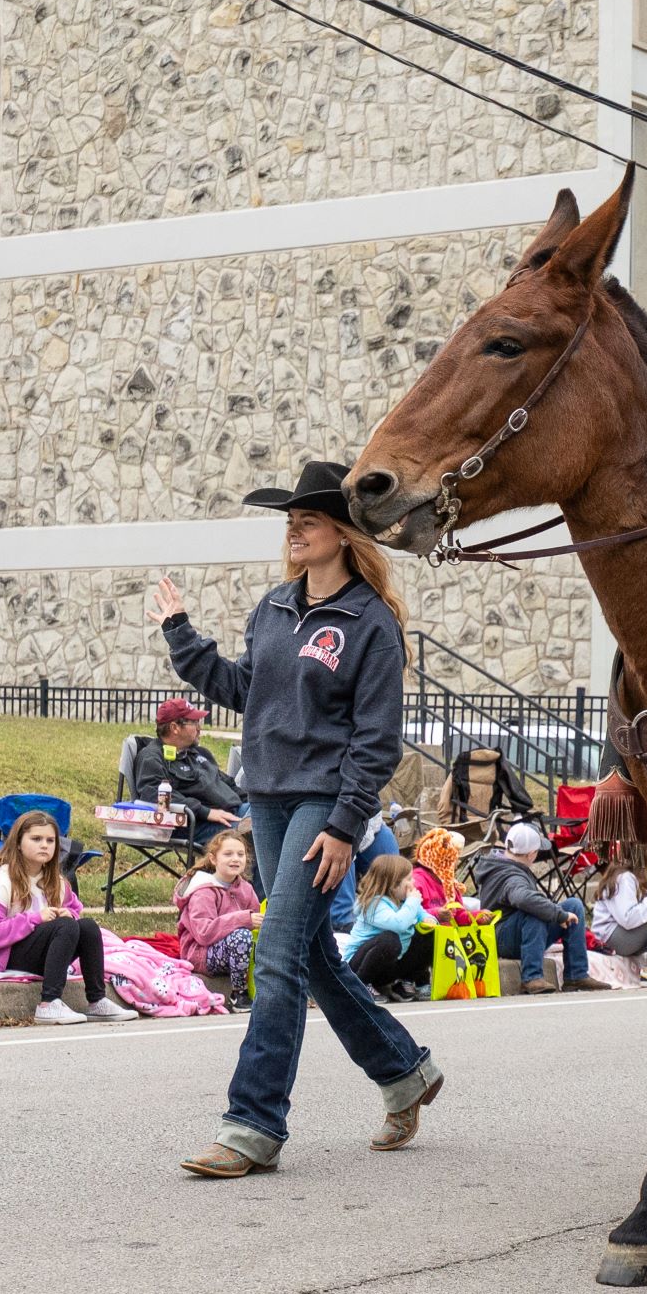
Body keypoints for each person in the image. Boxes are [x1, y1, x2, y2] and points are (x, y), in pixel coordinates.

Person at [152, 459, 446, 1178]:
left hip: (325, 804)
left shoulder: (370, 624)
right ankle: (404, 1071)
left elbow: (376, 741)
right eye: (290, 522)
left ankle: (253, 1124)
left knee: (277, 955)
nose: (294, 531)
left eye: (307, 521)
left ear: (343, 534)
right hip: (270, 799)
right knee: (311, 956)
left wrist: (346, 825)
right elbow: (242, 690)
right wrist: (181, 633)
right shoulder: (275, 608)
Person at [0, 810, 136, 1025]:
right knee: (65, 926)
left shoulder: (56, 881)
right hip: (4, 955)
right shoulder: (1, 880)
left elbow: (74, 911)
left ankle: (97, 1000)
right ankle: (49, 1003)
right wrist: (34, 919)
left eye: (50, 840)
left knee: (87, 926)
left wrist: (70, 914)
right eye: (36, 839)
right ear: (18, 843)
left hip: (45, 956)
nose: (44, 845)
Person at [473, 821, 611, 995]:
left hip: (518, 932)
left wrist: (559, 913)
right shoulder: (510, 875)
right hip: (501, 939)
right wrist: (558, 915)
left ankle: (576, 975)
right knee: (534, 912)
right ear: (531, 854)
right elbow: (522, 897)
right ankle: (531, 977)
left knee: (573, 906)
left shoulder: (505, 863)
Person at [134, 697, 246, 844]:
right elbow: (154, 795)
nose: (199, 728)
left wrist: (255, 804)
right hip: (197, 824)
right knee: (254, 836)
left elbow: (228, 783)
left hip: (237, 811)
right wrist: (205, 812)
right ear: (175, 728)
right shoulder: (152, 758)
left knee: (274, 819)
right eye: (194, 722)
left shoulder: (199, 753)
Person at [176, 828, 262, 1008]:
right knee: (241, 936)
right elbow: (204, 933)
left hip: (233, 951)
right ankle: (239, 994)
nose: (235, 859)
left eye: (240, 854)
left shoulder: (245, 888)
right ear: (214, 859)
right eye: (228, 854)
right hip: (202, 954)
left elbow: (253, 919)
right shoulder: (204, 891)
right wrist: (243, 919)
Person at [341, 854, 430, 1002]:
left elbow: (423, 914)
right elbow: (398, 924)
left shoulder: (405, 901)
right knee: (390, 940)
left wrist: (430, 920)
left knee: (426, 933)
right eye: (408, 879)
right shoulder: (373, 904)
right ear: (393, 884)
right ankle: (360, 985)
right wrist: (413, 902)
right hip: (359, 967)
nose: (413, 883)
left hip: (385, 967)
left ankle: (404, 983)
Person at [591, 838, 647, 971]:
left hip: (629, 934)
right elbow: (628, 919)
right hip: (612, 938)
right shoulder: (624, 877)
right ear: (645, 850)